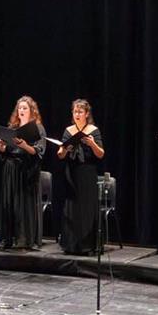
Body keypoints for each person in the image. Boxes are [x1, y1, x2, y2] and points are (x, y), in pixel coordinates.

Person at [55, 99, 105, 255]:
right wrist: (66, 148)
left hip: (88, 173)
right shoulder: (68, 130)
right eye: (75, 111)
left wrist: (92, 144)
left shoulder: (93, 130)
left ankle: (88, 245)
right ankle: (71, 245)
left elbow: (101, 154)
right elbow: (60, 155)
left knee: (87, 208)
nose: (77, 114)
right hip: (72, 173)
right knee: (72, 208)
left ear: (87, 114)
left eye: (80, 112)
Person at [0, 95, 47, 249]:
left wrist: (24, 145)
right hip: (11, 169)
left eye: (25, 108)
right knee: (9, 203)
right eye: (20, 108)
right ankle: (8, 239)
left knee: (24, 204)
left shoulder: (38, 128)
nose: (22, 111)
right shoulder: (12, 128)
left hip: (27, 170)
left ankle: (25, 239)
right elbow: (5, 152)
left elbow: (38, 152)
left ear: (32, 110)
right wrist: (2, 148)